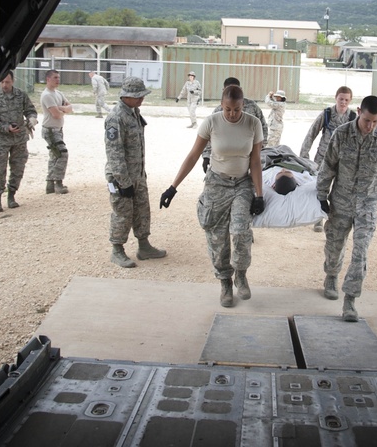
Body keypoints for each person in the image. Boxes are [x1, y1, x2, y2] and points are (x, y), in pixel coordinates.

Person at [160, 84, 264, 307]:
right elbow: (193, 155)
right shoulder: (212, 122)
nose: (232, 114)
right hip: (216, 183)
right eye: (227, 109)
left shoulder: (253, 123)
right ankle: (225, 282)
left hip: (242, 185)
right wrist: (173, 187)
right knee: (217, 237)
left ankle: (241, 274)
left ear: (242, 105)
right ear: (221, 104)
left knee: (239, 231)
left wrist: (259, 194)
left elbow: (255, 161)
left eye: (236, 109)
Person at [317, 95, 377, 322]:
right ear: (358, 112)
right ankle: (331, 275)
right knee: (335, 244)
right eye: (366, 120)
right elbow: (328, 166)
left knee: (360, 252)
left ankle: (350, 300)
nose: (370, 126)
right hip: (341, 201)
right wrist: (321, 194)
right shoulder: (342, 134)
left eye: (375, 121)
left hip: (368, 203)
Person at [104, 77, 167, 268]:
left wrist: (139, 175)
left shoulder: (134, 113)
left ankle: (144, 246)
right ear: (126, 96)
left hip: (137, 174)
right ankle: (117, 250)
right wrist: (123, 182)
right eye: (138, 96)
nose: (141, 99)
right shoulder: (116, 117)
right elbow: (114, 153)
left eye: (142, 95)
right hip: (121, 177)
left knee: (142, 210)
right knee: (122, 213)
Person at [301, 86, 354, 231]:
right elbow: (312, 133)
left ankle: (332, 221)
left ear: (350, 101)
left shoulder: (352, 118)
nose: (343, 102)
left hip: (342, 161)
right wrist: (304, 155)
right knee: (320, 187)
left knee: (338, 192)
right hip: (323, 157)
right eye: (341, 99)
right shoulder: (327, 114)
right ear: (336, 98)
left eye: (346, 100)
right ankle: (318, 219)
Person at [0, 70, 38, 212]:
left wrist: (32, 119)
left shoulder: (21, 95)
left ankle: (11, 196)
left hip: (20, 139)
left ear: (13, 81)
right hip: (2, 140)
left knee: (18, 168)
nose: (4, 85)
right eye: (2, 82)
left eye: (7, 82)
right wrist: (6, 128)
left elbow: (30, 110)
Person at [201, 77, 269, 173]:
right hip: (224, 163)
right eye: (228, 110)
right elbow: (209, 136)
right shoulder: (218, 112)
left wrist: (259, 150)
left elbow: (263, 128)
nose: (232, 113)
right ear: (223, 90)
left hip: (249, 156)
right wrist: (206, 156)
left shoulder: (252, 106)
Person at [40, 69, 73, 195]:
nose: (57, 80)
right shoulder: (47, 95)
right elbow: (56, 115)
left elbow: (69, 107)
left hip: (58, 130)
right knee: (62, 154)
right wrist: (62, 110)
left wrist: (61, 108)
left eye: (58, 77)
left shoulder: (58, 93)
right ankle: (58, 183)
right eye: (55, 78)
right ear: (48, 79)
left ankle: (50, 184)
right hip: (50, 130)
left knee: (54, 156)